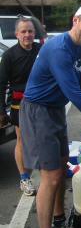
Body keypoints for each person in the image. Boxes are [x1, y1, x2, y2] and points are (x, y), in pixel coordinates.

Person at [19, 3, 81, 228]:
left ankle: (59, 219)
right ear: (75, 20)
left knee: (62, 166)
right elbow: (72, 91)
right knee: (51, 176)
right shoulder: (58, 48)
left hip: (54, 110)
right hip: (38, 111)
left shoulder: (80, 48)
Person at [0, 17, 41, 196]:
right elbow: (1, 84)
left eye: (30, 31)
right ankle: (24, 178)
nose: (27, 35)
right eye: (23, 31)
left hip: (43, 103)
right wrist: (1, 110)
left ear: (35, 33)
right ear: (16, 34)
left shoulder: (41, 50)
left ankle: (46, 169)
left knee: (42, 138)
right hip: (20, 105)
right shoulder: (9, 56)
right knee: (22, 141)